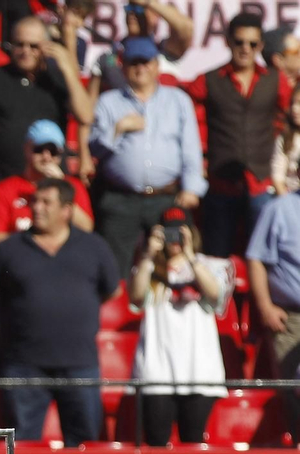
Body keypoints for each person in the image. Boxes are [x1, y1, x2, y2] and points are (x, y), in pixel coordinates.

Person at [0, 178, 118, 445]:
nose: (36, 208)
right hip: (24, 365)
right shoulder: (8, 250)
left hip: (80, 364)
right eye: (34, 201)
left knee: (86, 449)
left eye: (46, 202)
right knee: (20, 448)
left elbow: (111, 291)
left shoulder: (94, 247)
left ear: (67, 210)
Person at [90, 37, 204, 274]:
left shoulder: (177, 100)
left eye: (146, 62)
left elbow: (191, 148)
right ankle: (120, 311)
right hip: (121, 198)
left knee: (172, 265)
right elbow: (93, 149)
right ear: (124, 66)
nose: (140, 68)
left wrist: (192, 188)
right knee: (115, 269)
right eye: (134, 63)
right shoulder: (109, 102)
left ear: (156, 65)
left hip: (166, 196)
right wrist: (117, 130)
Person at [185, 14, 291, 258]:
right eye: (239, 42)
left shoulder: (275, 81)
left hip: (261, 183)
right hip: (221, 182)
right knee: (216, 257)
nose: (245, 49)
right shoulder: (209, 80)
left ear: (260, 46)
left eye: (252, 44)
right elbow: (190, 122)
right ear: (228, 42)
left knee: (264, 258)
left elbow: (285, 118)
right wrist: (201, 159)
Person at [128, 206, 228, 445]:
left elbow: (215, 295)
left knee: (194, 443)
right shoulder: (148, 268)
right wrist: (148, 255)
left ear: (191, 232)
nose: (174, 239)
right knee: (156, 445)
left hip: (199, 371)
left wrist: (191, 256)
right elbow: (137, 297)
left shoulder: (209, 265)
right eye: (168, 233)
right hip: (157, 370)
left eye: (179, 232)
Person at [0, 16, 92, 187]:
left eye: (33, 46)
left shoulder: (56, 78)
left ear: (46, 47)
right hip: (3, 184)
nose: (25, 51)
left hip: (50, 184)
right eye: (19, 44)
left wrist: (68, 70)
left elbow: (85, 116)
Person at [0, 118, 92, 249]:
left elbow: (86, 228)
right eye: (39, 149)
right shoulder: (5, 189)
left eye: (53, 150)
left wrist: (61, 186)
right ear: (26, 149)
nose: (46, 156)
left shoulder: (73, 186)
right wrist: (34, 245)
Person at [247, 190, 300, 388]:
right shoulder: (278, 208)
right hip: (292, 320)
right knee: (292, 392)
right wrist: (265, 306)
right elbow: (256, 258)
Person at [274, 85, 300, 196]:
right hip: (291, 197)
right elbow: (278, 176)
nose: (295, 109)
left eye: (299, 104)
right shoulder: (286, 138)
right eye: (293, 103)